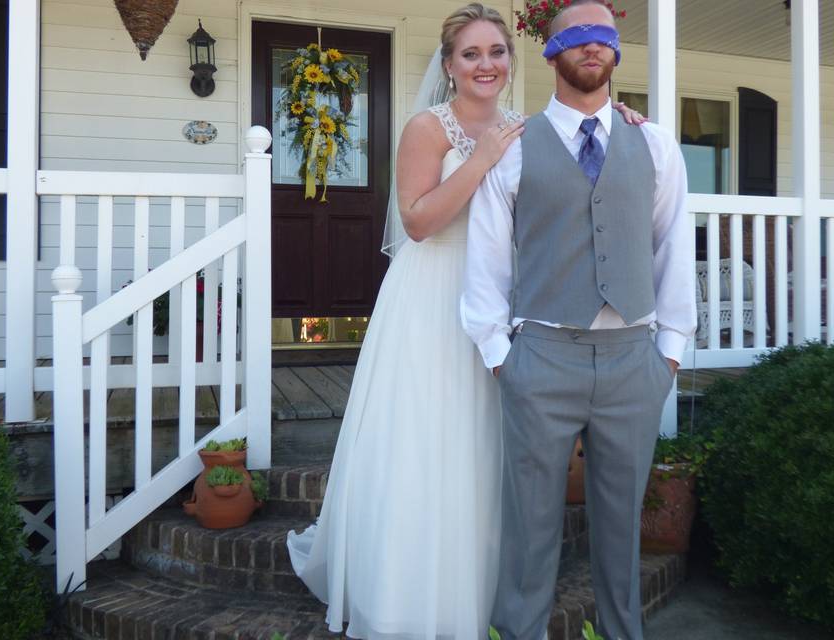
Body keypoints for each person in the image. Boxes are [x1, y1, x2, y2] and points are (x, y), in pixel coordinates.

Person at [287, 3, 643, 638]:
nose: (486, 65)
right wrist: (479, 160)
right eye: (471, 54)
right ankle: (409, 594)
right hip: (432, 295)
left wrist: (621, 118)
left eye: (497, 52)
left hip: (505, 301)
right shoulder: (429, 128)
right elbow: (418, 223)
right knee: (428, 443)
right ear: (449, 66)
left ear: (512, 61)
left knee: (489, 449)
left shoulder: (529, 127)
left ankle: (482, 593)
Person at [460, 1, 696, 639]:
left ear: (616, 52)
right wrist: (500, 354)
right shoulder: (511, 149)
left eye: (606, 37)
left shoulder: (652, 142)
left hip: (633, 361)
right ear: (550, 51)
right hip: (541, 358)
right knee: (529, 527)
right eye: (577, 36)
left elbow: (673, 246)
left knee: (623, 533)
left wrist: (669, 351)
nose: (594, 47)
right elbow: (486, 259)